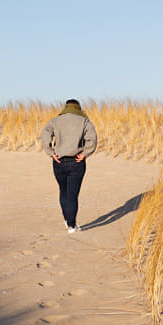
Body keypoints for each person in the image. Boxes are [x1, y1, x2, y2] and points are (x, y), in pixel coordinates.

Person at [40, 99, 98, 233]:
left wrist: (50, 152)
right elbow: (92, 139)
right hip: (76, 162)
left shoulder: (55, 121)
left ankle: (67, 219)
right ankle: (72, 225)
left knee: (63, 191)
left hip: (59, 161)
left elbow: (45, 135)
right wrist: (85, 153)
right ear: (78, 108)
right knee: (72, 194)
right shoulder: (84, 121)